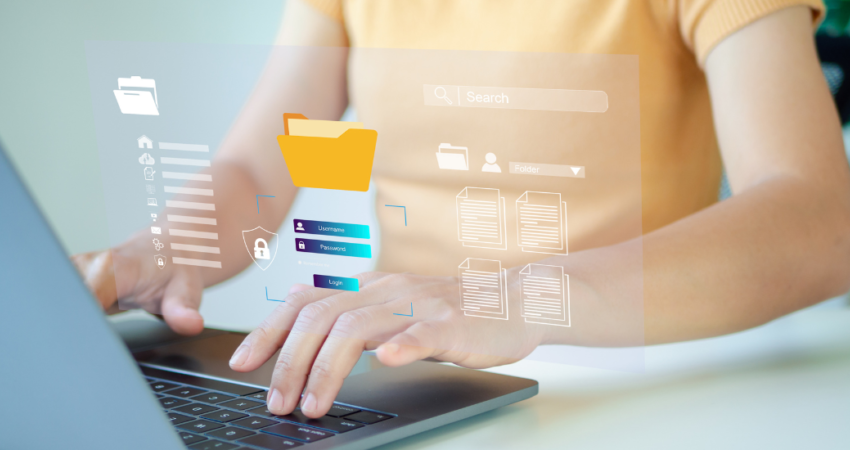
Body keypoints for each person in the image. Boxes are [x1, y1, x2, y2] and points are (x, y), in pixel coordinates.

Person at [73, 0, 850, 420]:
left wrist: (513, 294)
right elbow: (258, 163)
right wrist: (163, 249)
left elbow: (819, 220)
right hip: (392, 382)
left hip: (625, 393)